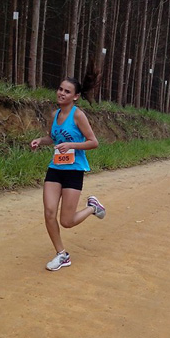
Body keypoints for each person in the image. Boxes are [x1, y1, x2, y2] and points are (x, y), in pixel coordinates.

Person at [30, 64, 105, 271]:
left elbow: (93, 142)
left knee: (67, 221)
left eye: (67, 91)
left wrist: (72, 145)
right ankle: (61, 254)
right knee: (49, 212)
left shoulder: (78, 115)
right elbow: (53, 138)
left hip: (74, 170)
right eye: (60, 89)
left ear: (75, 96)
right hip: (55, 168)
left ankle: (93, 207)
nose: (62, 93)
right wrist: (40, 141)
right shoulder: (54, 115)